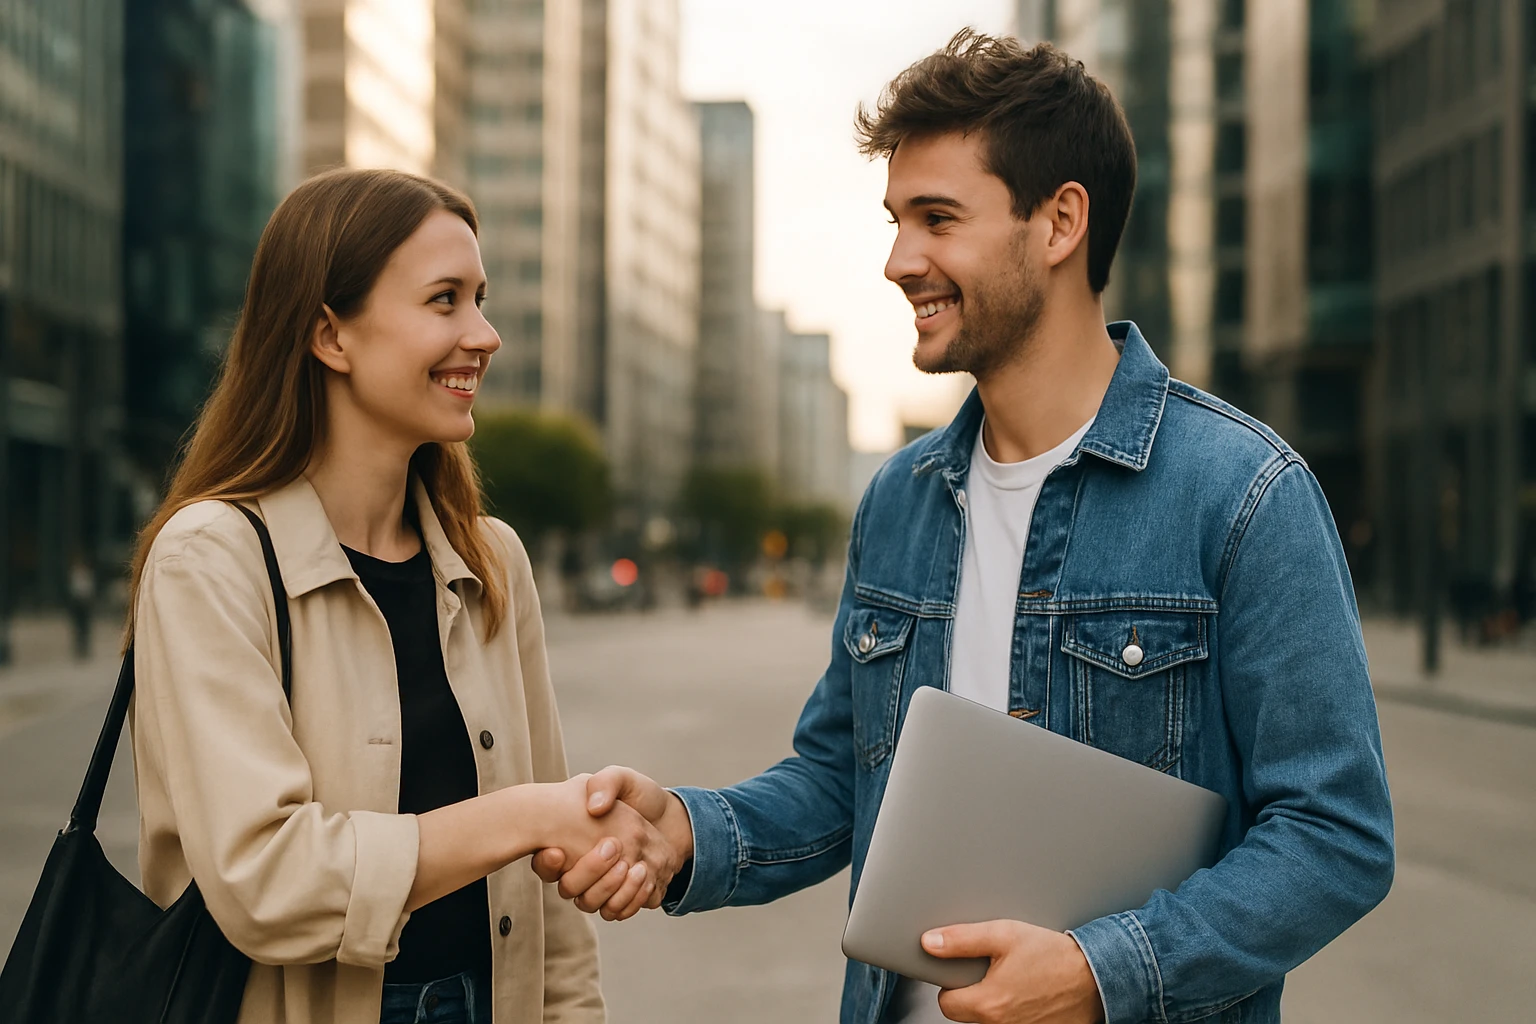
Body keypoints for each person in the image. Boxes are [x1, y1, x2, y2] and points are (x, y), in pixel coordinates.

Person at [536, 31, 1395, 1024]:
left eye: (937, 218)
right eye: (897, 221)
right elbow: (839, 779)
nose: (901, 261)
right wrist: (687, 830)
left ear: (1061, 221)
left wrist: (1098, 969)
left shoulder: (1243, 492)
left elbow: (1335, 834)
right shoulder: (900, 498)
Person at [127, 168, 682, 1024]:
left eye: (481, 299)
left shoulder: (490, 559)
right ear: (330, 336)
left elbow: (551, 932)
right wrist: (528, 815)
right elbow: (266, 880)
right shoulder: (211, 558)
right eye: (444, 301)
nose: (485, 334)